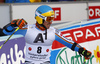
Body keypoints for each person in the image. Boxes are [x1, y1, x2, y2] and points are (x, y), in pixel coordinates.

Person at [2, 5, 92, 64]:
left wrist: (82, 51)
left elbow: (69, 43)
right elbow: (4, 33)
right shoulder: (27, 29)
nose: (51, 22)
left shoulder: (53, 32)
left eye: (52, 18)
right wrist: (13, 24)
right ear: (40, 18)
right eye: (49, 19)